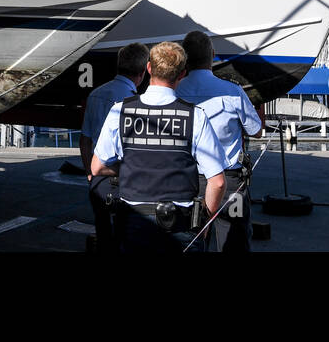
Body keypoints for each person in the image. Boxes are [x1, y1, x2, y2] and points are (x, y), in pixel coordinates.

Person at [91, 42, 228, 253]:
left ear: (148, 69)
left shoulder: (121, 111)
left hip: (133, 222)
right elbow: (217, 182)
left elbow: (97, 167)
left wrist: (127, 168)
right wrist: (206, 223)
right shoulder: (195, 116)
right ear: (182, 74)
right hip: (180, 225)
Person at [177, 30, 263, 252]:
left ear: (184, 58)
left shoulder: (176, 92)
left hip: (187, 180)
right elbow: (256, 131)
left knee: (191, 243)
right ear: (213, 55)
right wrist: (259, 101)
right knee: (233, 244)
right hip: (229, 180)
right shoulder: (232, 91)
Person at [79, 42, 150, 253]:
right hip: (127, 179)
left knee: (104, 237)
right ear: (143, 71)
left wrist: (90, 173)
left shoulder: (96, 94)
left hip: (98, 179)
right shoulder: (137, 102)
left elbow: (84, 140)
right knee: (128, 238)